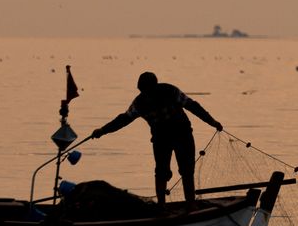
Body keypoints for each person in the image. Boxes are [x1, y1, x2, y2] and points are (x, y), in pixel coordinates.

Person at [90, 72, 222, 207]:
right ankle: (161, 206)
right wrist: (102, 130)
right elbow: (123, 119)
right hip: (161, 139)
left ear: (155, 86)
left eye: (147, 91)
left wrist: (212, 122)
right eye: (142, 91)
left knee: (187, 171)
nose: (145, 94)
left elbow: (193, 106)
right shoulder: (139, 102)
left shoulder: (170, 91)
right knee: (161, 172)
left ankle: (191, 205)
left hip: (182, 135)